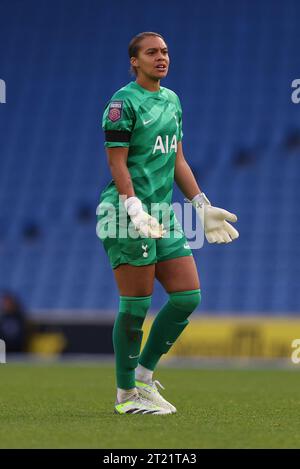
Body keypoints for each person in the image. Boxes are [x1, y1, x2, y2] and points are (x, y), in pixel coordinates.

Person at [97, 32, 239, 415]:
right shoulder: (122, 103)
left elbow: (177, 159)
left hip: (162, 213)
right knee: (136, 306)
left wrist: (201, 204)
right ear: (134, 61)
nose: (161, 57)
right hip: (127, 214)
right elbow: (117, 162)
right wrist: (132, 206)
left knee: (187, 296)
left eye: (164, 51)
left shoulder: (173, 101)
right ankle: (125, 394)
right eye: (151, 53)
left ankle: (143, 376)